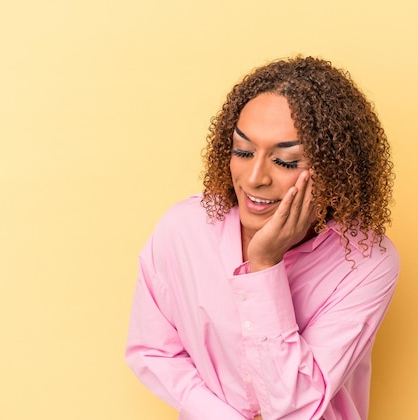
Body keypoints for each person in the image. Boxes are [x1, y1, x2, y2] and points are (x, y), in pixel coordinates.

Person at [125, 56, 400, 420]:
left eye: (285, 161)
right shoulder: (184, 230)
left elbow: (298, 406)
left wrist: (265, 265)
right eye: (242, 151)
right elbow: (153, 351)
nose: (255, 177)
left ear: (335, 168)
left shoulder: (365, 261)